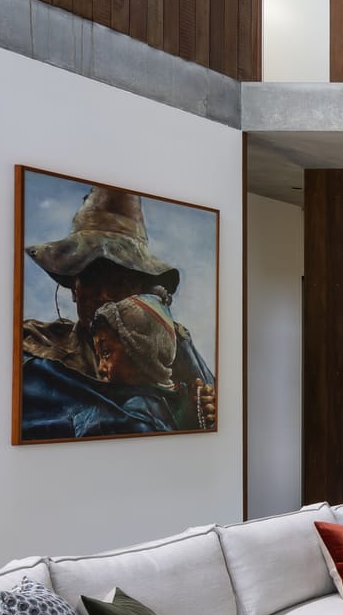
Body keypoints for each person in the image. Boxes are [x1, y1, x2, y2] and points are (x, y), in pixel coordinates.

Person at [20, 186, 216, 440]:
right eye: (91, 280)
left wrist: (204, 413)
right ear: (74, 289)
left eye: (119, 282)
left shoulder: (173, 347)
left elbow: (208, 413)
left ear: (140, 290)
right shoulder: (39, 354)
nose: (104, 295)